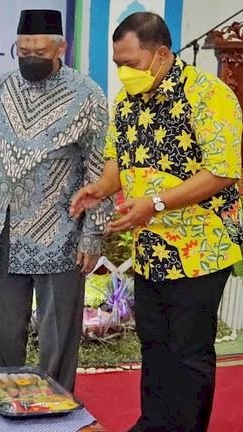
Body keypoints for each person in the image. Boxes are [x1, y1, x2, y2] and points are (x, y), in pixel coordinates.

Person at [70, 12, 242, 432]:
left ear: (162, 54)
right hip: (150, 248)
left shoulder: (208, 94)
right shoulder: (129, 101)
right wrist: (101, 188)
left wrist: (157, 204)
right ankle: (154, 423)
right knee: (155, 344)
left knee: (187, 350)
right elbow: (118, 159)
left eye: (130, 62)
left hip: (200, 249)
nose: (123, 72)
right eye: (117, 64)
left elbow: (223, 171)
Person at [0, 9, 111, 391]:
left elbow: (100, 168)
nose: (30, 59)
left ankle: (56, 414)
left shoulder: (88, 95)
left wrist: (93, 234)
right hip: (1, 232)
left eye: (39, 52)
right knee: (2, 339)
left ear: (61, 48)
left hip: (61, 234)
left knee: (58, 342)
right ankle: (3, 409)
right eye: (23, 51)